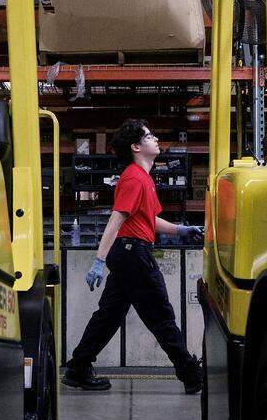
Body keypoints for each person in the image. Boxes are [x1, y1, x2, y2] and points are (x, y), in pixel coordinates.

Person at [62, 119, 205, 393]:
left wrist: (182, 229)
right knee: (161, 315)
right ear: (136, 147)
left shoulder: (142, 178)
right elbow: (116, 219)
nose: (156, 139)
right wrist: (98, 261)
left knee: (109, 315)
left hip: (129, 253)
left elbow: (150, 220)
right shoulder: (134, 178)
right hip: (133, 254)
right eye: (149, 136)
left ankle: (78, 368)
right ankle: (190, 374)